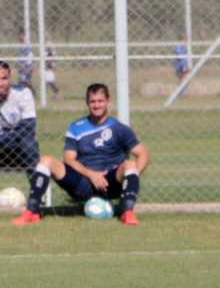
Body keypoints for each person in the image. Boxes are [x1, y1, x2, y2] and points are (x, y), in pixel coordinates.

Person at [11, 83, 149, 226]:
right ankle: (31, 212)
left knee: (130, 165)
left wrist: (132, 178)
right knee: (46, 160)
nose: (96, 105)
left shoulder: (119, 128)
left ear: (108, 101)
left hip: (111, 183)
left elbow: (143, 154)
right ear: (87, 103)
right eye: (92, 101)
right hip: (83, 183)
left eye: (100, 101)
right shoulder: (76, 127)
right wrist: (92, 175)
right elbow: (69, 159)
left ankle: (127, 212)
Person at [0, 61, 39, 176]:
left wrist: (7, 135)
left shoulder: (23, 93)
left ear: (10, 78)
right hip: (3, 147)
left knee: (29, 144)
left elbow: (29, 127)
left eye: (4, 78)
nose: (0, 83)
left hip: (20, 147)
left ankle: (36, 189)